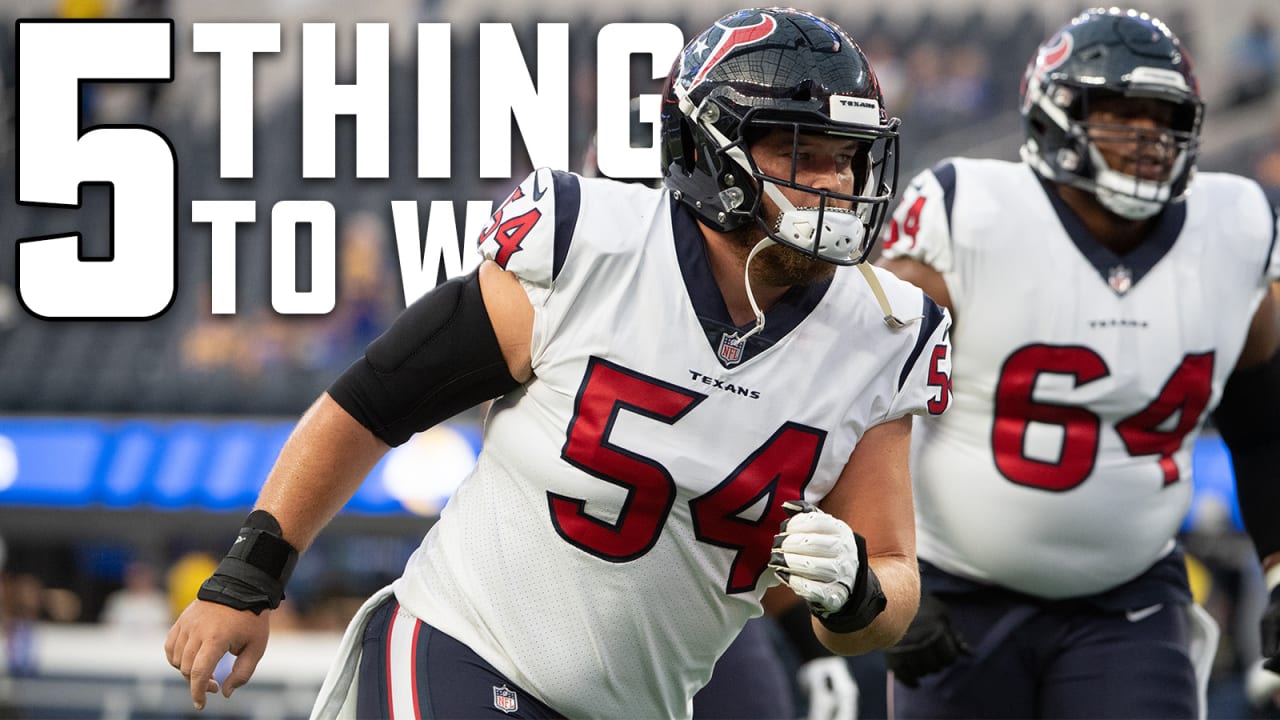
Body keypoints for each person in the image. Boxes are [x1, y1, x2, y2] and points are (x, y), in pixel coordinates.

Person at [166, 8, 953, 718]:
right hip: (466, 646)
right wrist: (249, 576)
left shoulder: (882, 332)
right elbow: (375, 402)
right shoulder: (592, 246)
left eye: (846, 159)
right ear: (710, 153)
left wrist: (856, 595)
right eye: (800, 152)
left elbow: (890, 580)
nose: (833, 184)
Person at [877, 8, 1280, 718]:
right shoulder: (968, 214)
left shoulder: (1237, 227)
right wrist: (885, 568)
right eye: (1118, 112)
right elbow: (860, 400)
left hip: (1129, 598)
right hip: (956, 593)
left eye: (1163, 117)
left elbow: (1265, 422)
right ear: (1053, 115)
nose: (1146, 138)